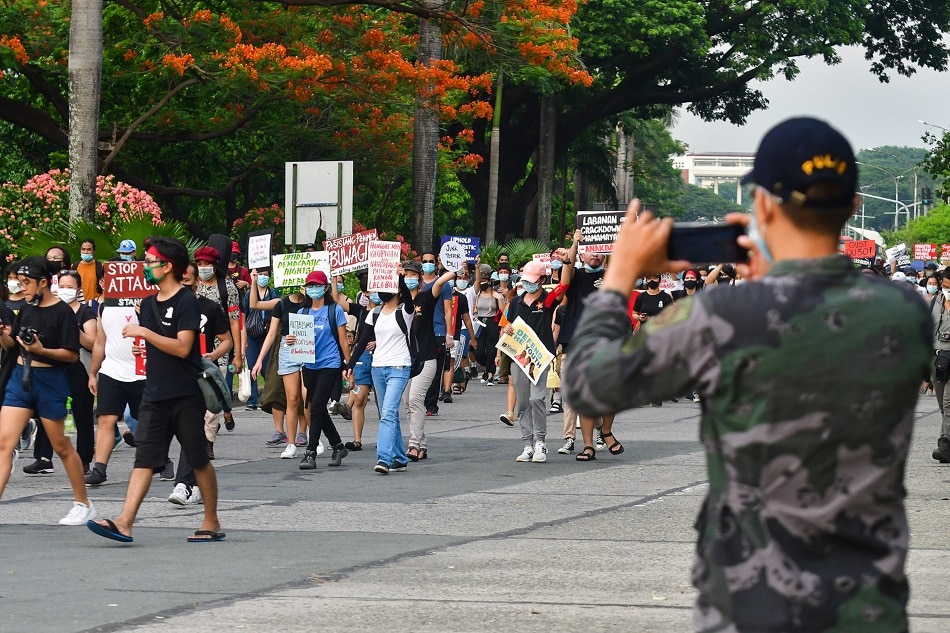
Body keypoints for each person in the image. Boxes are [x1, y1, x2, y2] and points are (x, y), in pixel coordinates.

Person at [564, 117, 930, 631]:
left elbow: (586, 384)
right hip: (868, 608)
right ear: (853, 207)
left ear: (761, 204)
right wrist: (772, 284)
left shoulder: (721, 315)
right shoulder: (906, 311)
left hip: (749, 605)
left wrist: (619, 273)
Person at [88, 236, 223, 543]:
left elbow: (183, 347)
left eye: (150, 262)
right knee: (144, 460)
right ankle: (124, 522)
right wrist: (142, 346)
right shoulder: (147, 304)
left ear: (168, 266)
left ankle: (211, 520)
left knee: (198, 458)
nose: (145, 267)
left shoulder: (187, 301)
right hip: (154, 394)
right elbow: (153, 344)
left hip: (185, 395)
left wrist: (145, 332)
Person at [0, 256, 95, 525]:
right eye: (19, 282)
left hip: (50, 380)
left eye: (27, 282)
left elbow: (71, 355)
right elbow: (13, 344)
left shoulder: (63, 312)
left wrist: (41, 350)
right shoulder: (27, 308)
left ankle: (83, 503)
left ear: (44, 282)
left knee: (62, 446)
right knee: (4, 443)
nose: (22, 287)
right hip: (21, 378)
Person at [21, 271, 97, 476]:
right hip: (50, 367)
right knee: (48, 410)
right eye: (61, 286)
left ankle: (84, 459)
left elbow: (94, 343)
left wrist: (74, 330)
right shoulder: (49, 310)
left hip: (76, 367)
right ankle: (43, 458)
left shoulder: (85, 313)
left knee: (82, 413)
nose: (65, 290)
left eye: (70, 286)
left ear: (78, 289)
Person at [344, 268, 416, 474]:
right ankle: (400, 457)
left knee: (389, 412)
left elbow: (410, 301)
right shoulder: (373, 313)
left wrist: (400, 278)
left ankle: (384, 458)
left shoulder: (405, 311)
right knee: (387, 413)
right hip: (378, 367)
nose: (381, 291)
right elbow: (362, 342)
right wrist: (349, 366)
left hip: (399, 366)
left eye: (387, 287)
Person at [502, 260, 567, 463]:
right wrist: (507, 329)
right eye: (525, 281)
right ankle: (527, 443)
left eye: (532, 281)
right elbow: (508, 324)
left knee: (537, 398)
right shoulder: (515, 302)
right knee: (522, 401)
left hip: (541, 356)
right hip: (519, 357)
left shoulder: (547, 301)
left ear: (542, 280)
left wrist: (567, 261)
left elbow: (564, 286)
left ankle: (541, 441)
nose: (528, 284)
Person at [297, 270, 351, 470]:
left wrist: (349, 365)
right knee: (316, 408)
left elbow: (343, 340)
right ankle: (337, 445)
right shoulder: (302, 313)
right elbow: (296, 340)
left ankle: (310, 452)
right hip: (309, 365)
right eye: (310, 285)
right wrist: (293, 340)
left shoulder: (334, 310)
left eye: (317, 285)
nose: (313, 289)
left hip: (330, 363)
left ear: (325, 287)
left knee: (317, 406)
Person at [73, 238, 103, 307]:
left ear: (94, 251)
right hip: (79, 306)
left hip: (95, 306)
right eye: (83, 249)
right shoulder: (74, 266)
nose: (85, 252)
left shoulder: (100, 266)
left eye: (89, 249)